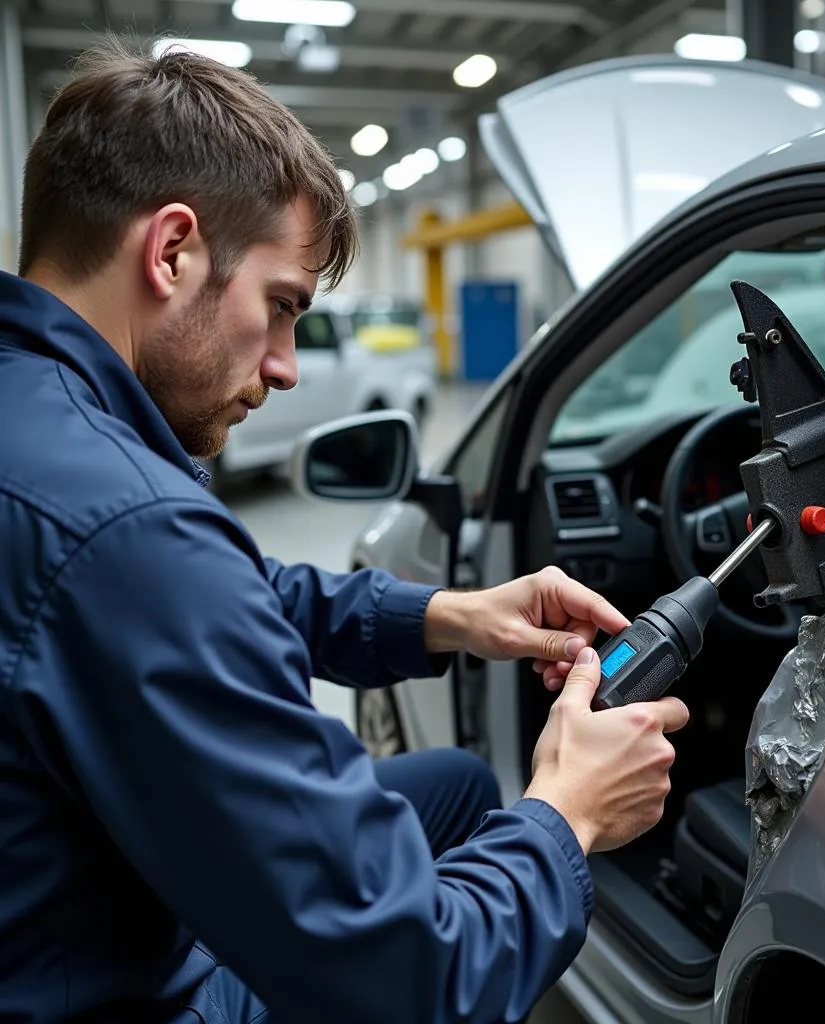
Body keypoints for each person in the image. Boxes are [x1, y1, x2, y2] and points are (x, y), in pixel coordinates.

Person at [0, 37, 689, 1024]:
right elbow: (408, 977)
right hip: (117, 990)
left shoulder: (45, 432)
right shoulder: (129, 525)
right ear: (171, 251)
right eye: (279, 308)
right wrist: (568, 814)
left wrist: (451, 615)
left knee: (453, 786)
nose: (284, 366)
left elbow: (205, 599)